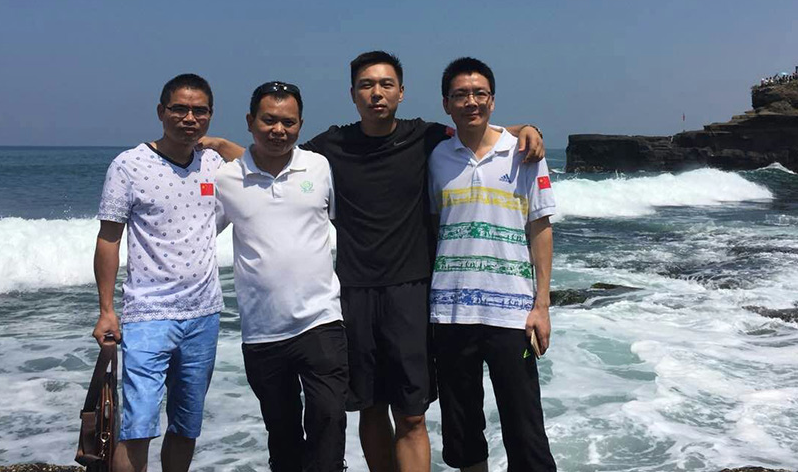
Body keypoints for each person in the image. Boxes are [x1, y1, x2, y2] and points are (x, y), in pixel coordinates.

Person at [204, 51, 544, 472]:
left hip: (411, 292)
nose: (376, 93)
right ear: (352, 94)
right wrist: (226, 149)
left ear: (401, 92)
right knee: (369, 408)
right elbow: (277, 157)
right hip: (353, 294)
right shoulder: (331, 147)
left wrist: (526, 129)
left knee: (413, 414)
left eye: (386, 85)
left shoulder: (425, 137)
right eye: (366, 85)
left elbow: (475, 129)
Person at [428, 57, 557, 472]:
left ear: (493, 100)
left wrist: (542, 306)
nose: (471, 101)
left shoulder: (524, 153)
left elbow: (540, 228)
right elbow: (434, 227)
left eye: (479, 93)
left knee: (526, 429)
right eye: (461, 95)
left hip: (512, 314)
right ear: (446, 104)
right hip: (450, 314)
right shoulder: (436, 158)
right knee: (463, 430)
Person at [92, 73, 224, 472]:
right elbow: (109, 238)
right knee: (137, 427)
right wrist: (106, 310)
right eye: (179, 109)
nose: (189, 118)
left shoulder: (214, 163)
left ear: (210, 115)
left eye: (199, 111)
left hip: (204, 314)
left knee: (186, 425)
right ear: (161, 112)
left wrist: (218, 143)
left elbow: (257, 161)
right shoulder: (129, 165)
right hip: (148, 314)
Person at [214, 81, 348, 472]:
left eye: (288, 122)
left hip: (322, 321)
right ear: (250, 121)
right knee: (283, 432)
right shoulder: (226, 179)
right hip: (262, 332)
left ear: (301, 124)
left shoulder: (319, 167)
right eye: (269, 120)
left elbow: (349, 227)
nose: (279, 130)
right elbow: (196, 238)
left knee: (329, 419)